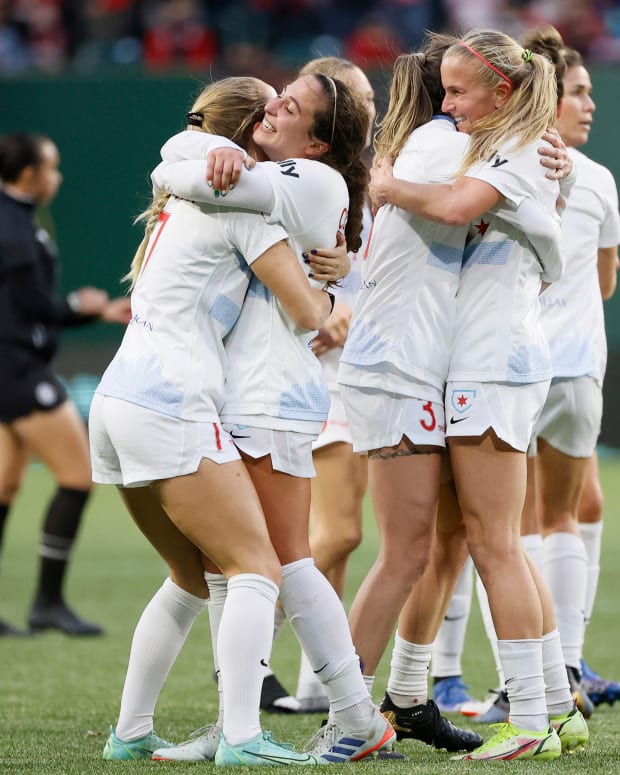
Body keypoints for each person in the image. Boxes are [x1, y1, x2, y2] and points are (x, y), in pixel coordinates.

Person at [103, 73, 398, 764]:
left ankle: (327, 717)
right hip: (238, 389)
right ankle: (274, 717)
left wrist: (196, 154)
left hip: (264, 390)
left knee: (272, 563)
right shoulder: (273, 179)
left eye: (291, 106)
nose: (275, 107)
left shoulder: (309, 181)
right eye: (272, 99)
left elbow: (201, 183)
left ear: (320, 140)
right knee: (243, 568)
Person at [352, 28, 587, 760]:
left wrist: (385, 184)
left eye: (459, 92)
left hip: (493, 363)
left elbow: (456, 207)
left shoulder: (515, 148)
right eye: (444, 91)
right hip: (482, 360)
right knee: (487, 539)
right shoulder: (512, 145)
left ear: (503, 92)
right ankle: (552, 705)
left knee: (492, 541)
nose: (448, 106)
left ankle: (527, 719)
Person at [454, 24, 620, 724]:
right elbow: (607, 282)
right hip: (580, 365)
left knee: (501, 531)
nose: (589, 104)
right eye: (577, 92)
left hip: (516, 363)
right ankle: (568, 670)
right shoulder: (599, 178)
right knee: (566, 513)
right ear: (549, 99)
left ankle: (527, 682)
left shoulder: (496, 160)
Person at [261, 55, 377, 716]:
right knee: (328, 537)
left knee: (332, 538)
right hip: (307, 374)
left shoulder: (357, 183)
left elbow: (371, 277)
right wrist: (330, 300)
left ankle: (312, 684)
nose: (365, 110)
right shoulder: (293, 174)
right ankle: (244, 662)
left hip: (347, 372)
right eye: (353, 99)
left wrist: (346, 289)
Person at [0, 131, 129, 638]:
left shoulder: (16, 222)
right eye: (52, 168)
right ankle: (47, 604)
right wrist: (83, 307)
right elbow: (31, 309)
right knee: (77, 475)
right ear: (30, 174)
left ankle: (45, 605)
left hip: (11, 368)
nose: (57, 177)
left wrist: (92, 311)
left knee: (7, 484)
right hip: (18, 372)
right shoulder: (12, 230)